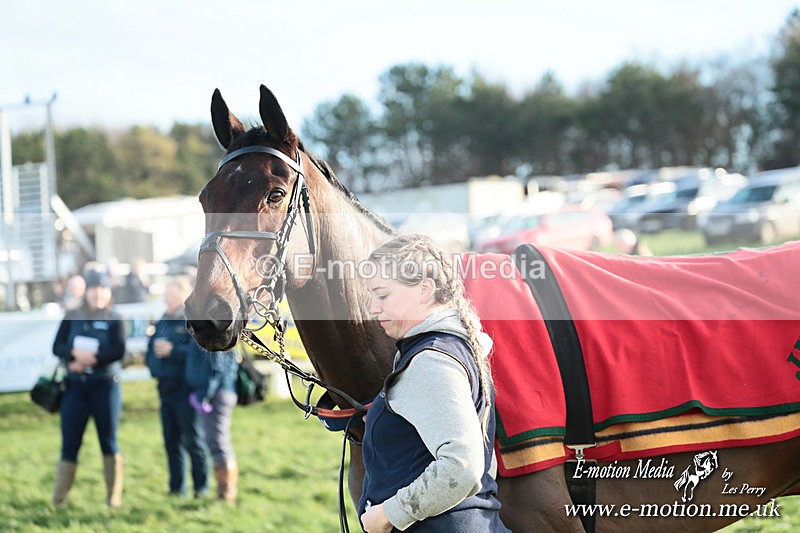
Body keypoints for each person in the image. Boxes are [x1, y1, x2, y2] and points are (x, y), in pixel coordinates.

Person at [359, 234, 509, 532]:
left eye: (383, 295)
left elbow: (463, 467)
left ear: (425, 290)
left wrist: (389, 513)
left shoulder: (432, 359)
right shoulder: (447, 346)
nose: (373, 308)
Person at [50, 270, 127, 508]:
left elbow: (119, 350)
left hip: (105, 385)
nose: (98, 294)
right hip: (76, 387)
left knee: (109, 441)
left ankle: (112, 498)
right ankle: (58, 500)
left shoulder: (115, 317)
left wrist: (94, 359)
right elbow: (57, 346)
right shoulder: (72, 315)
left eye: (103, 289)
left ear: (108, 292)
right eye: (94, 289)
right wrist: (74, 355)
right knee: (70, 443)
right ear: (87, 292)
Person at [146, 277, 208, 497]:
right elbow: (149, 350)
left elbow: (199, 353)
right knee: (171, 440)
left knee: (193, 440)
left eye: (171, 294)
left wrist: (172, 351)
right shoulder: (162, 320)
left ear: (184, 295)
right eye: (166, 294)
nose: (166, 298)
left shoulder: (192, 321)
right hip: (165, 388)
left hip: (186, 388)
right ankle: (176, 489)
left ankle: (201, 487)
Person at [185, 344, 239, 504]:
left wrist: (204, 395)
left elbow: (217, 366)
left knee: (218, 443)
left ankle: (226, 494)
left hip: (216, 393)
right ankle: (225, 493)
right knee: (216, 442)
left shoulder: (213, 332)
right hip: (216, 392)